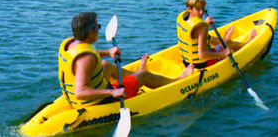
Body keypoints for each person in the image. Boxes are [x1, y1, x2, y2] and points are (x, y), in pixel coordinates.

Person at [58, 12, 193, 108]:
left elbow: (84, 55)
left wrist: (108, 52)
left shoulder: (70, 45)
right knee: (143, 75)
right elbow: (80, 92)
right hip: (99, 101)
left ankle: (135, 79)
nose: (99, 29)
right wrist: (113, 92)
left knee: (106, 64)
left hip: (77, 99)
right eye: (97, 27)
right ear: (90, 33)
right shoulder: (86, 59)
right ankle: (177, 79)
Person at [176, 0, 257, 69]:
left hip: (187, 63)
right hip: (203, 64)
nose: (201, 12)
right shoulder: (202, 27)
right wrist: (223, 54)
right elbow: (202, 55)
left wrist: (205, 23)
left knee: (211, 39)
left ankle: (226, 40)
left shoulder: (183, 18)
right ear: (189, 9)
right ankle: (246, 44)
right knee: (228, 43)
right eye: (198, 9)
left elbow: (194, 33)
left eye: (203, 9)